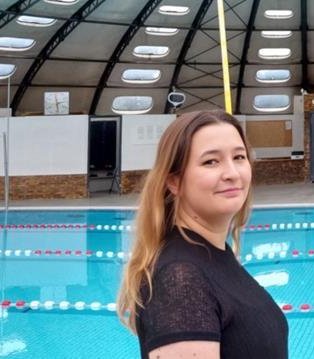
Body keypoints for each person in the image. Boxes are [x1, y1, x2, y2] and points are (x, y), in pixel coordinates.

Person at [118, 110, 289, 359]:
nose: (232, 173)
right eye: (211, 161)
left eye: (239, 157)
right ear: (174, 182)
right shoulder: (180, 280)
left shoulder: (213, 254)